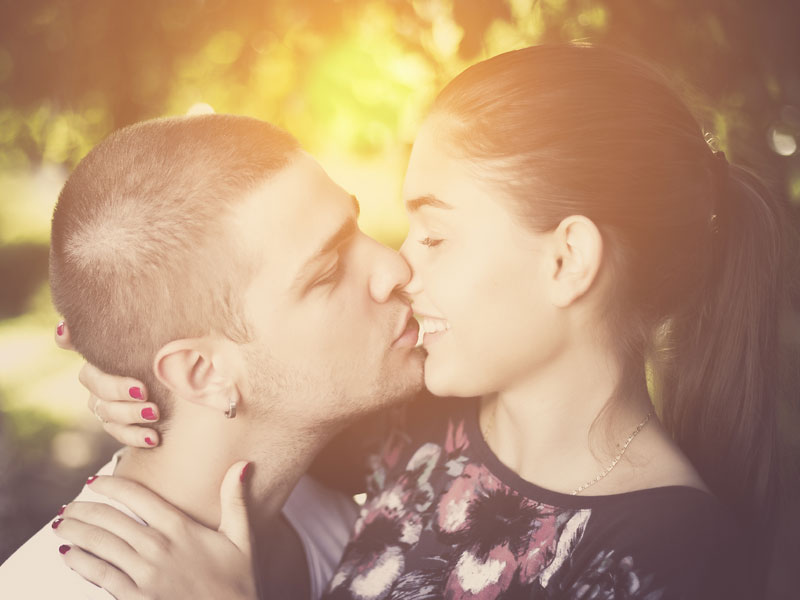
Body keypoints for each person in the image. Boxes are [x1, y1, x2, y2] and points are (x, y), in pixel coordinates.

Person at [54, 44, 784, 599]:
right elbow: (265, 393)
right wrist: (146, 367)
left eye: (435, 237)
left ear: (566, 261)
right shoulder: (414, 428)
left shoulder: (673, 559)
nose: (401, 267)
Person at [0, 114, 425, 599]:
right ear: (203, 373)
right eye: (327, 273)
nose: (395, 267)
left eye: (356, 226)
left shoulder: (343, 520)